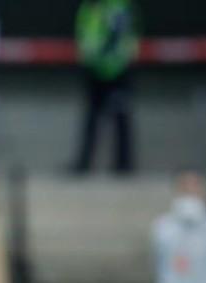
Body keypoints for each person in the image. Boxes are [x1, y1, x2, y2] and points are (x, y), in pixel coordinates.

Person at [71, 0, 138, 174]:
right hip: (94, 69)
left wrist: (117, 58)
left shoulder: (121, 6)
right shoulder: (89, 6)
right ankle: (84, 164)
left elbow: (128, 35)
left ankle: (124, 165)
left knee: (120, 117)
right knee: (91, 118)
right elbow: (83, 33)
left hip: (118, 69)